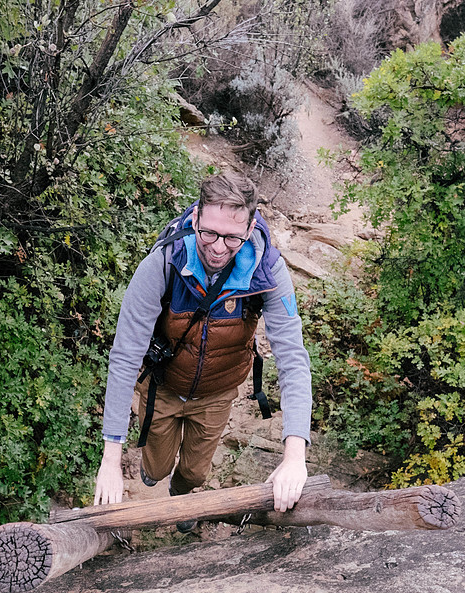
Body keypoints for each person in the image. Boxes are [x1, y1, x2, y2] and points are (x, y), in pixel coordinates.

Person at [93, 171, 311, 523]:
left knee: (194, 473)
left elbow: (293, 358)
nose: (218, 247)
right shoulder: (164, 263)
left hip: (218, 391)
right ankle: (157, 475)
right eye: (208, 232)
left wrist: (295, 453)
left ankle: (183, 497)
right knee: (155, 467)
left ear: (251, 227)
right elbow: (125, 356)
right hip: (164, 386)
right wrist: (110, 461)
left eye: (232, 238)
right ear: (195, 218)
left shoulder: (267, 272)